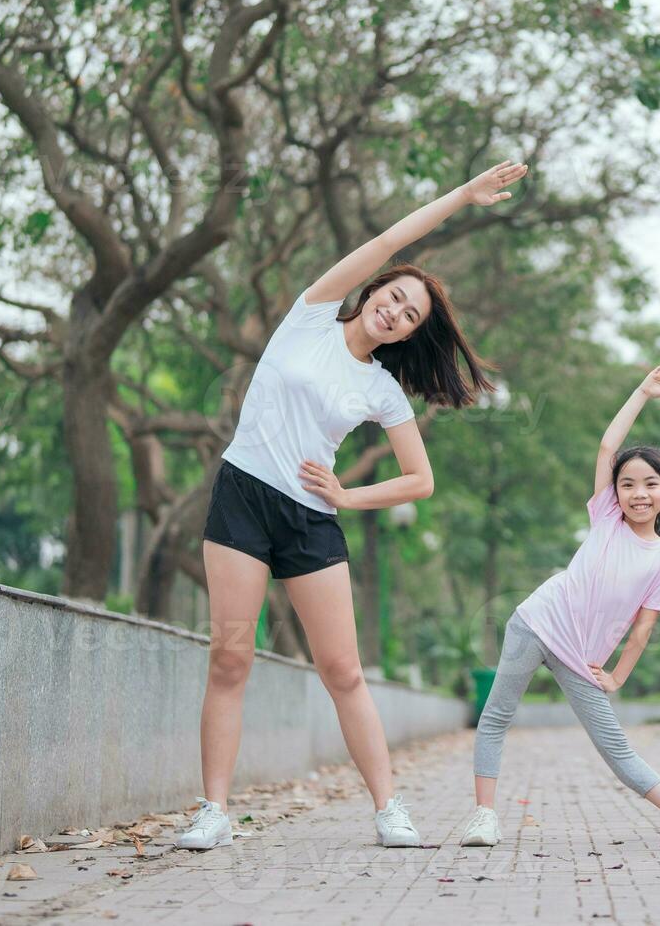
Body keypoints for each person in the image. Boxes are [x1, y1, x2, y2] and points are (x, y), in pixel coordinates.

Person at [176, 161, 528, 851]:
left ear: (407, 334)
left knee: (343, 671)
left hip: (310, 519)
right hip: (243, 495)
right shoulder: (309, 315)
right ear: (374, 290)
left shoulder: (383, 391)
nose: (394, 311)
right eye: (393, 296)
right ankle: (213, 811)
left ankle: (389, 807)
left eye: (408, 315)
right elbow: (389, 237)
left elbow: (418, 480)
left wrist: (347, 495)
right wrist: (459, 194)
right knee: (230, 657)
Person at [460, 363, 660, 846]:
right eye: (628, 484)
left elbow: (642, 629)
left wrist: (617, 676)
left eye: (650, 484)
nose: (638, 493)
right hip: (535, 622)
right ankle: (484, 817)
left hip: (581, 656)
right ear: (615, 494)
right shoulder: (606, 518)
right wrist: (641, 392)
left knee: (615, 747)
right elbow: (608, 446)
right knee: (497, 715)